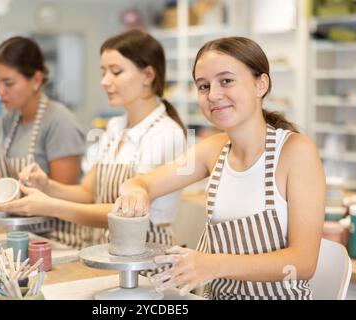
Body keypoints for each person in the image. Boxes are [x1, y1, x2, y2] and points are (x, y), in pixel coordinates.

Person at [111, 37, 326, 300]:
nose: (213, 95)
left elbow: (303, 262)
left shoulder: (296, 152)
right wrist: (136, 190)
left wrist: (211, 265)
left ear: (261, 84)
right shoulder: (212, 150)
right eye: (203, 86)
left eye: (226, 81)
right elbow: (144, 183)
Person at [0, 29, 187, 250]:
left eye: (116, 72)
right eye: (103, 72)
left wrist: (50, 206)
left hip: (146, 260)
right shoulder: (115, 127)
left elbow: (128, 215)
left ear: (148, 75)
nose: (105, 81)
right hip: (108, 252)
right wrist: (46, 185)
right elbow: (87, 193)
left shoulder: (165, 134)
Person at [0, 36, 85, 223]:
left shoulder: (60, 122)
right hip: (20, 231)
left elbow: (62, 199)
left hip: (56, 236)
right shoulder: (12, 119)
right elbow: (10, 178)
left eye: (8, 83)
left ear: (36, 79)